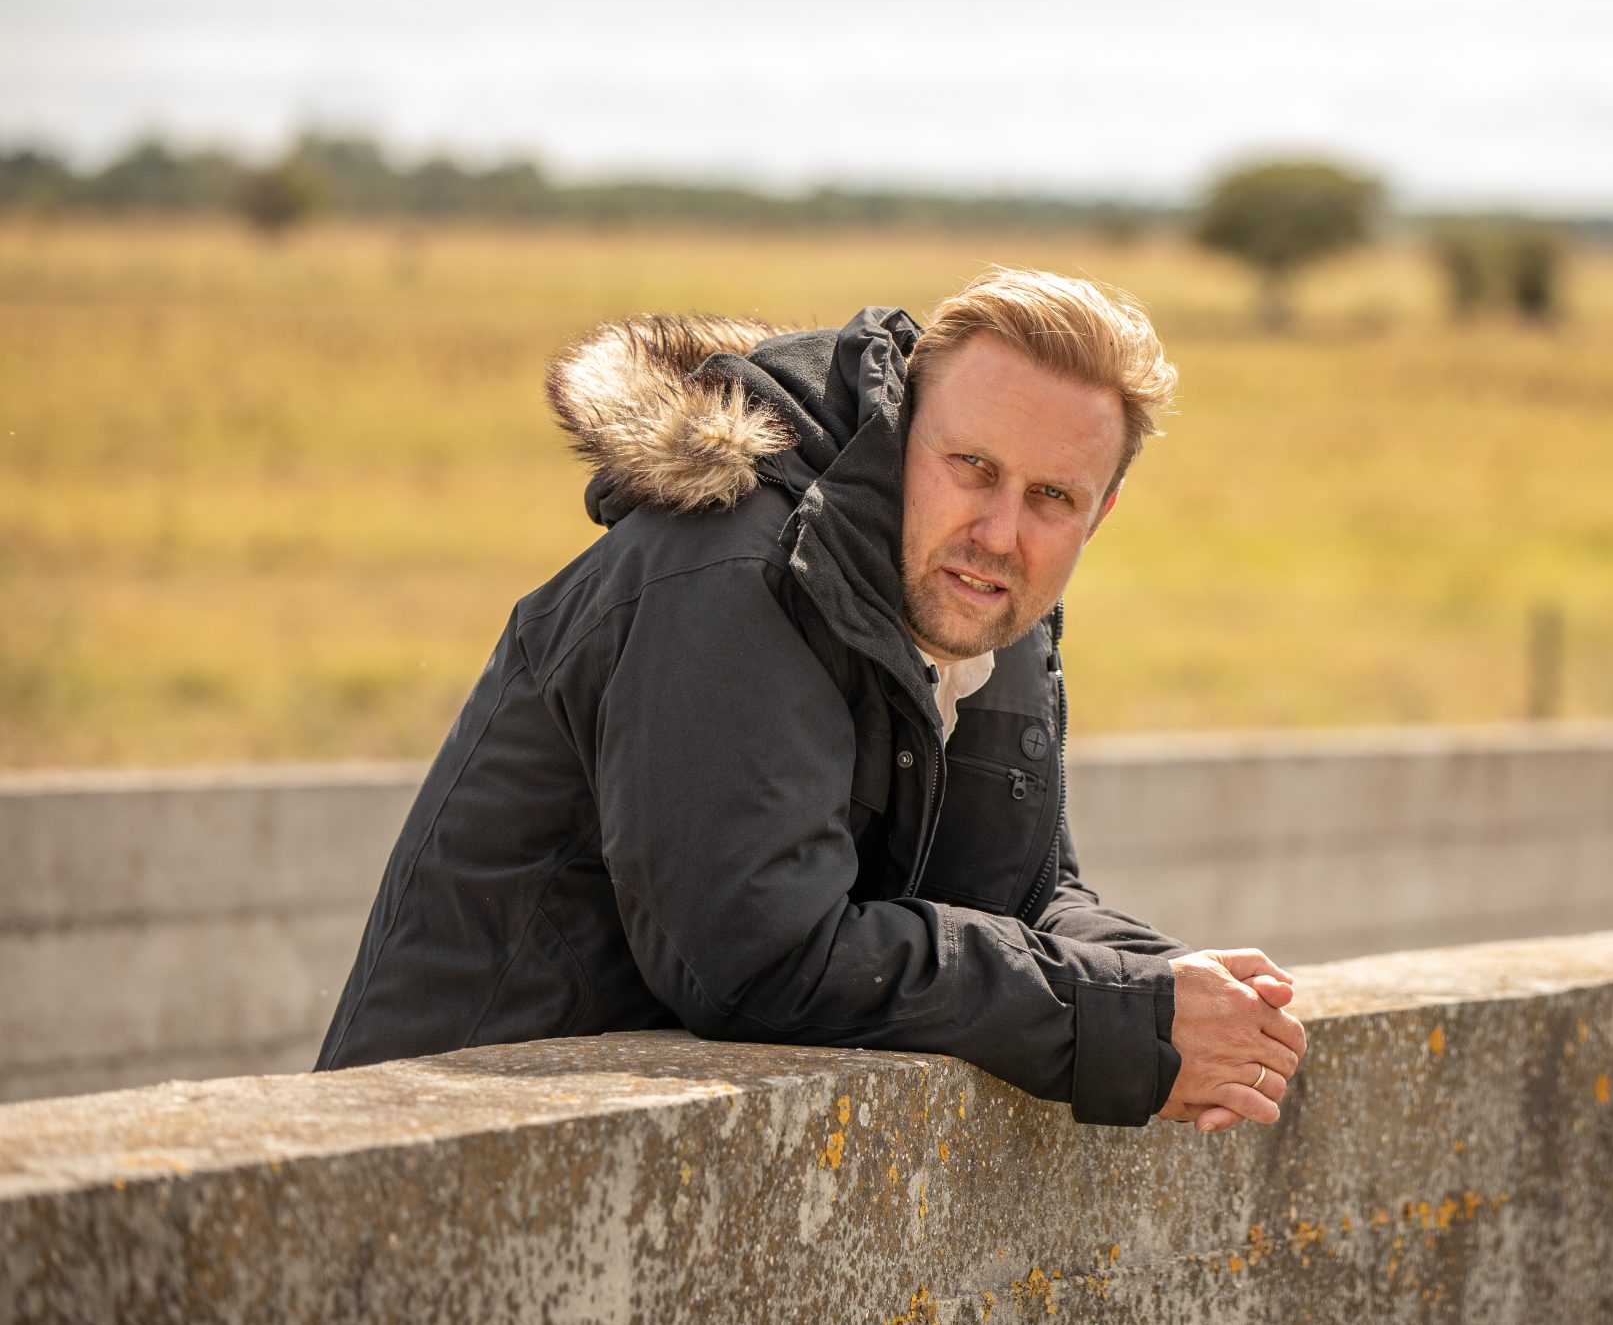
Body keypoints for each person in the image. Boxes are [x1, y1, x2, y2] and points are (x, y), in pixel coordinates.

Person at [317, 268, 1305, 1134]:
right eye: (973, 468)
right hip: (457, 1160)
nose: (1002, 532)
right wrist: (1121, 1019)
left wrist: (1190, 994)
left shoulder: (983, 608)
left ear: (1100, 515)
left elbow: (1016, 897)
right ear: (902, 437)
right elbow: (758, 956)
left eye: (1055, 498)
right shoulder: (731, 570)